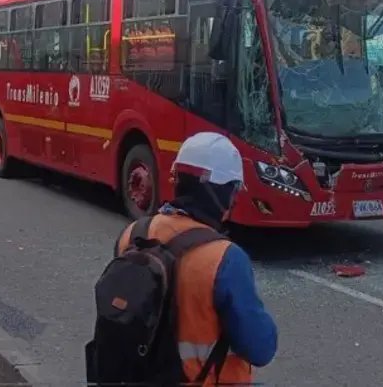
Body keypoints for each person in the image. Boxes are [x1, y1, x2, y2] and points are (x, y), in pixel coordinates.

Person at [114, 132, 277, 385]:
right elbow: (260, 348)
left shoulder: (132, 235)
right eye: (233, 191)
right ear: (221, 193)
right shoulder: (225, 258)